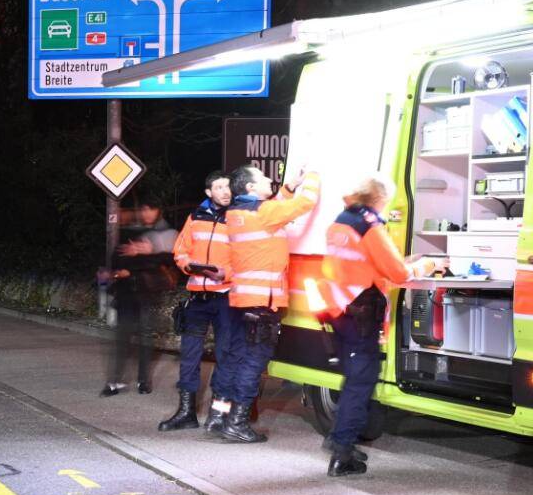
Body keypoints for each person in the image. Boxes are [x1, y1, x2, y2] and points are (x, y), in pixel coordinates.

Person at [316, 173, 448, 476]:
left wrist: (400, 262)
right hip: (360, 312)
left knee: (353, 379)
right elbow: (399, 275)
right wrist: (428, 264)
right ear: (379, 198)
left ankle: (339, 439)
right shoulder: (369, 226)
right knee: (361, 382)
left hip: (341, 308)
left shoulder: (342, 221)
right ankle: (342, 453)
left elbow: (364, 264)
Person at [218, 165, 321, 443]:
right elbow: (306, 203)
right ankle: (236, 423)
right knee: (254, 363)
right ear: (250, 188)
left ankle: (221, 417)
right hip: (263, 302)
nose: (269, 180)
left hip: (244, 300)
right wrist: (313, 176)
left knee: (238, 359)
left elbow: (275, 208)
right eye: (263, 178)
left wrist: (288, 187)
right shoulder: (263, 213)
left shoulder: (239, 212)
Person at [158, 171, 234, 433]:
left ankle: (218, 414)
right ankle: (186, 412)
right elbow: (180, 250)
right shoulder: (196, 217)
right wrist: (188, 266)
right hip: (198, 298)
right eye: (219, 187)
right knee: (189, 358)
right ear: (208, 192)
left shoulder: (239, 219)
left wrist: (226, 273)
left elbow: (248, 258)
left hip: (227, 299)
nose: (225, 191)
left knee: (225, 356)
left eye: (228, 187)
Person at [101, 196, 179, 397]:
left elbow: (172, 260)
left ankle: (144, 381)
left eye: (150, 209)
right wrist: (123, 269)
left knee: (145, 338)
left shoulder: (166, 233)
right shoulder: (130, 231)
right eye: (143, 209)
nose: (146, 213)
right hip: (126, 294)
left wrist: (146, 254)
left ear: (158, 210)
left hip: (147, 293)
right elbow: (116, 258)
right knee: (122, 338)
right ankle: (115, 381)